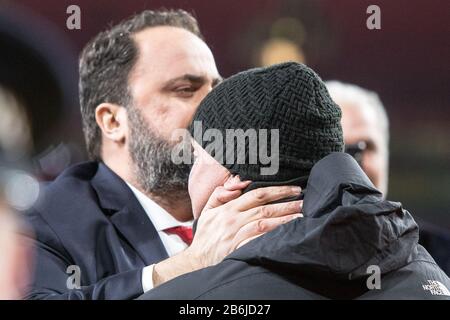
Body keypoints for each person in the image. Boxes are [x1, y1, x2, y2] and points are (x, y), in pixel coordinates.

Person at [24, 10, 301, 300]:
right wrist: (188, 265)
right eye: (185, 89)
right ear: (113, 121)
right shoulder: (44, 223)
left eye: (218, 89)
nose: (217, 106)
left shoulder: (266, 204)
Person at [139, 62, 450, 300]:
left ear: (229, 176)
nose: (190, 177)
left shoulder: (195, 297)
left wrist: (189, 269)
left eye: (196, 159)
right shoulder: (430, 275)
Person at [326, 80, 450, 275]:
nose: (352, 164)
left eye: (364, 146)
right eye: (337, 148)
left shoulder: (440, 257)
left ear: (385, 154)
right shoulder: (275, 255)